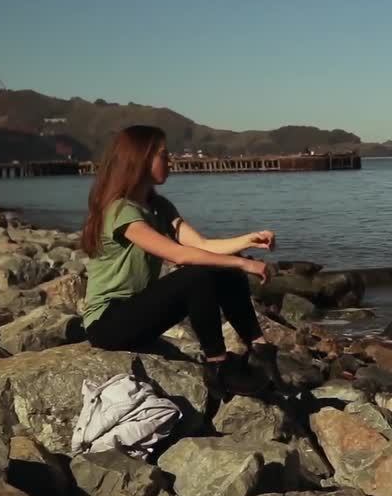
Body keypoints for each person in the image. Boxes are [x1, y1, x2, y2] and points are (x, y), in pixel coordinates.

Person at [80, 124, 276, 395]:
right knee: (196, 275)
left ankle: (261, 351)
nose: (170, 161)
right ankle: (218, 367)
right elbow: (179, 254)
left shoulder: (159, 207)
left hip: (139, 314)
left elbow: (202, 245)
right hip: (109, 324)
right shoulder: (120, 210)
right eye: (164, 155)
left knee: (223, 268)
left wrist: (248, 241)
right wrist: (245, 264)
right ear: (141, 159)